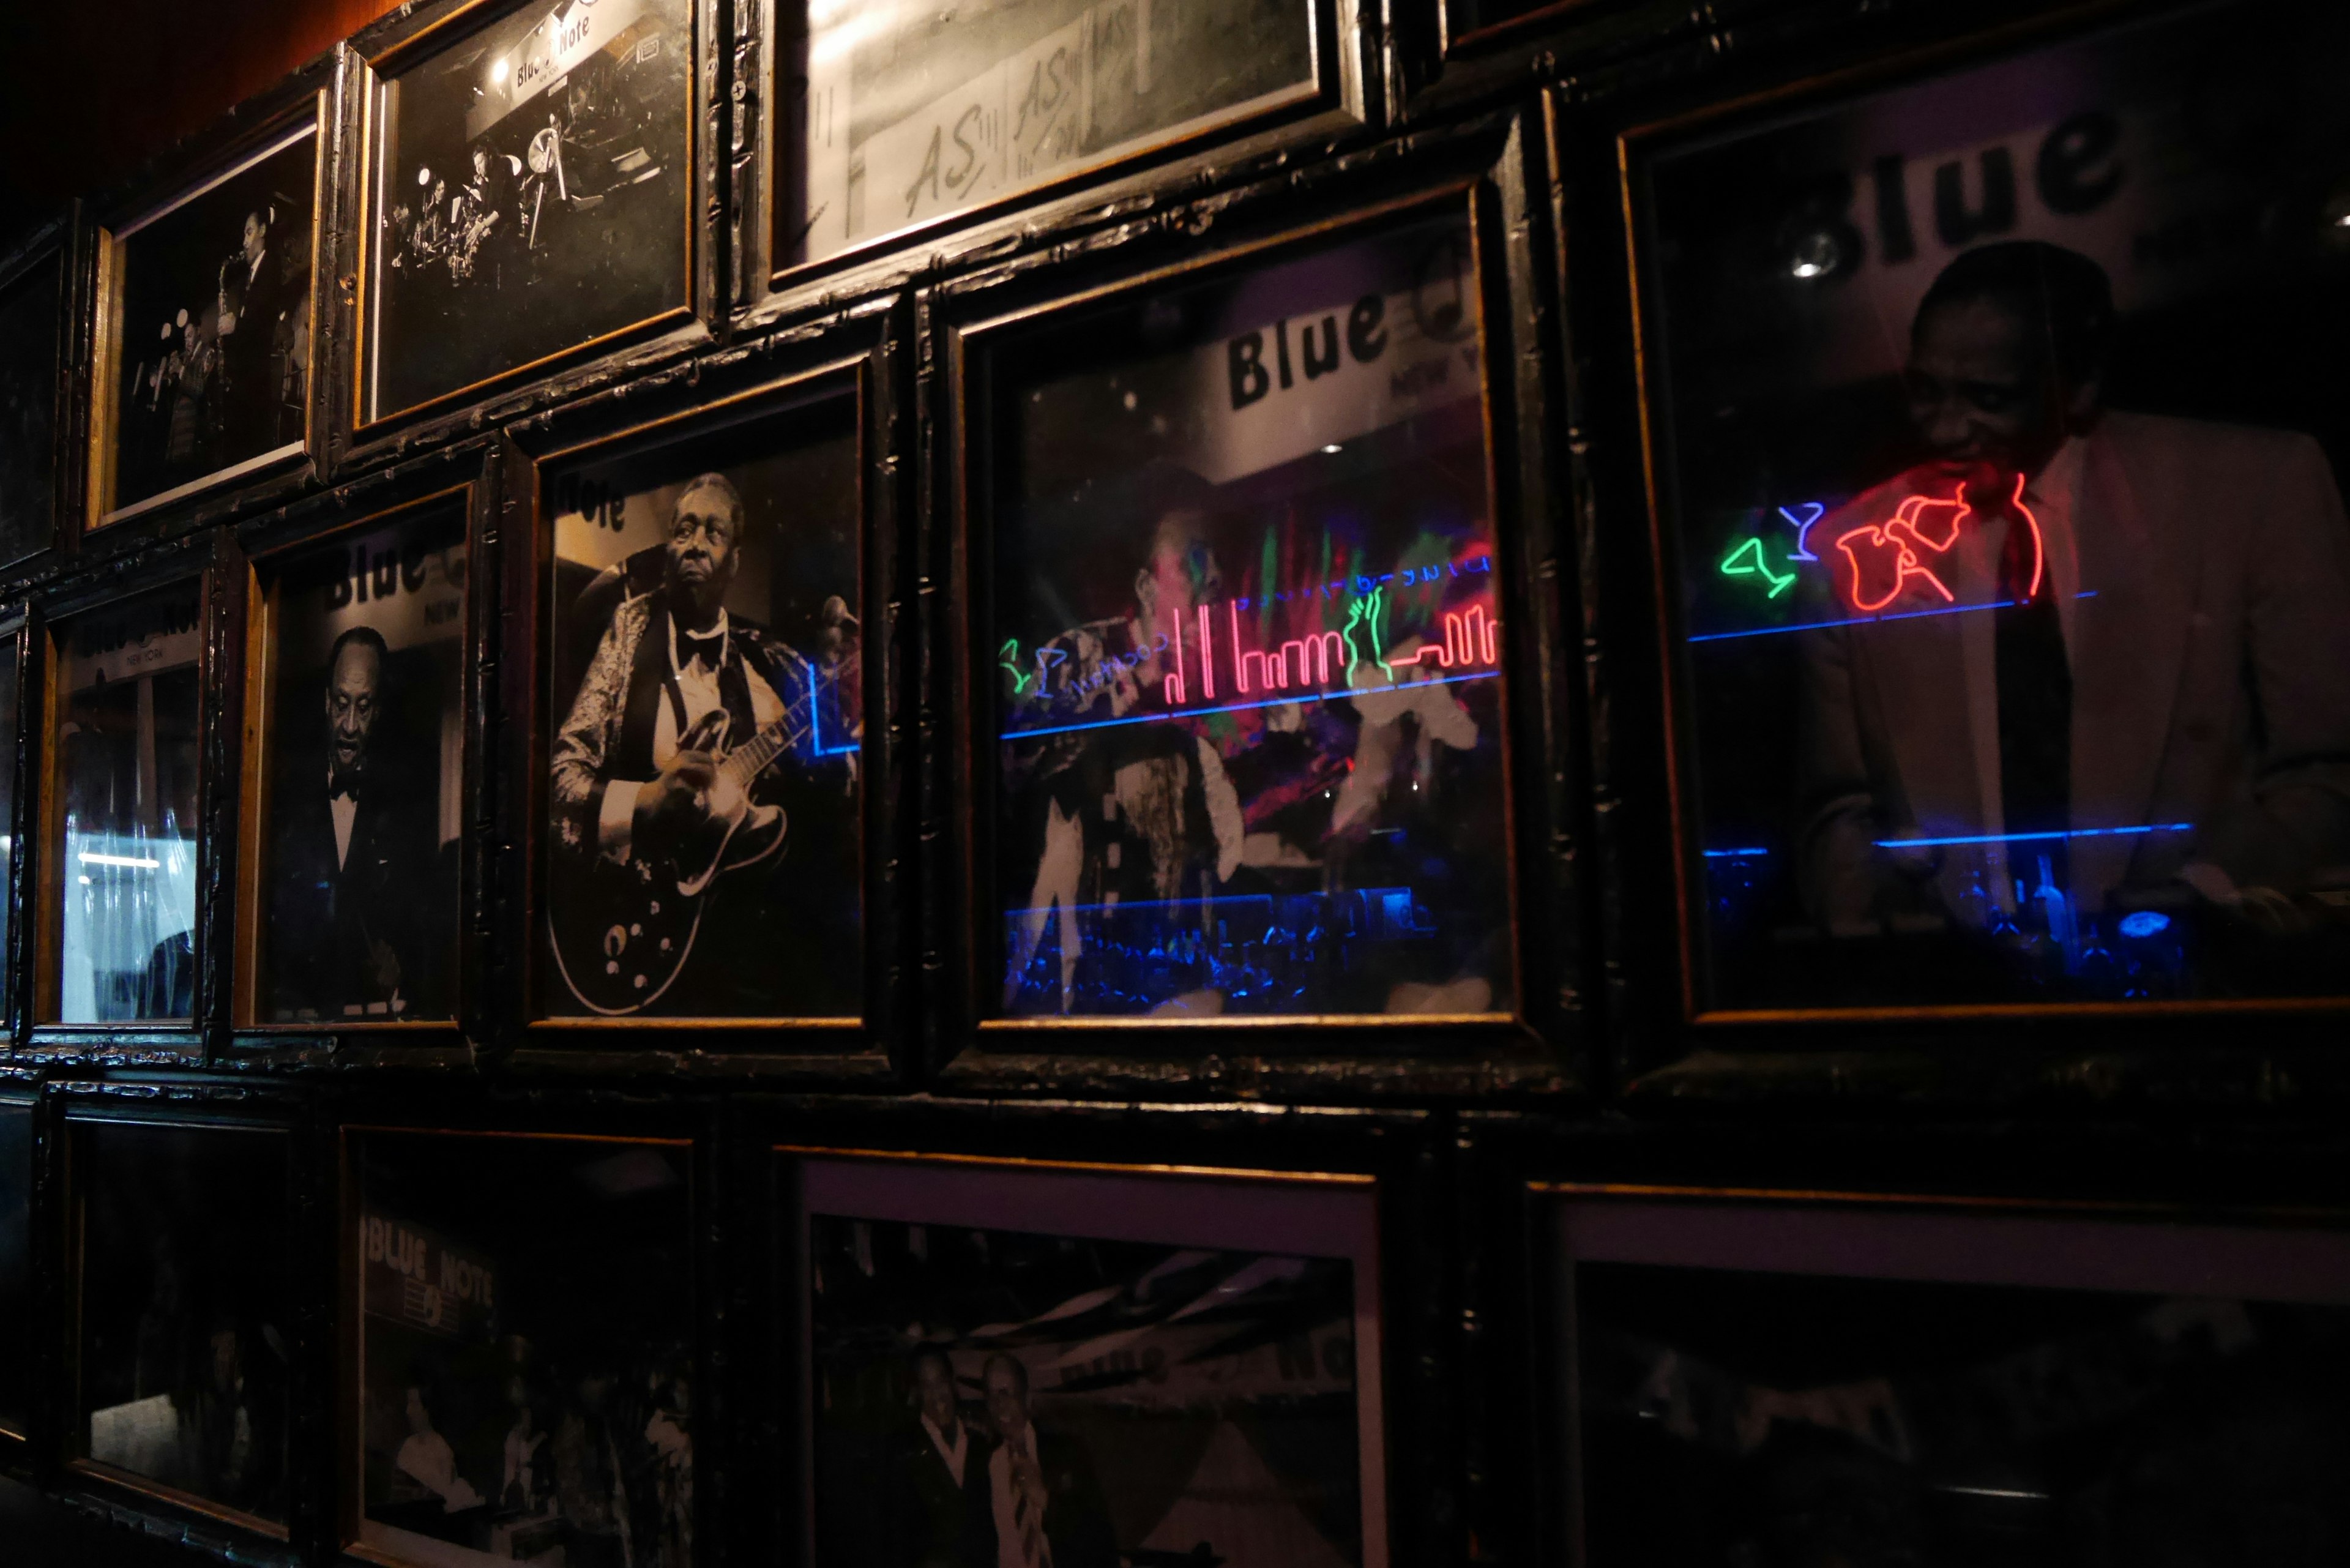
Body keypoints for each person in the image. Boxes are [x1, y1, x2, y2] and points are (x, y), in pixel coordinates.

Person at [1797, 241, 2350, 965]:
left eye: (1988, 398)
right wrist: (1912, 929)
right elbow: (1834, 815)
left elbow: (2330, 771)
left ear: (2080, 386)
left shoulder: (2251, 490)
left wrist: (2198, 904)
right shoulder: (1855, 549)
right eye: (1926, 390)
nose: (1943, 429)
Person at [547, 471, 857, 1015]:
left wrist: (839, 719)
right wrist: (642, 803)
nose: (694, 545)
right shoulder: (630, 628)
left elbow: (826, 798)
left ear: (735, 561)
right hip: (634, 927)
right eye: (684, 530)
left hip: (749, 963)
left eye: (712, 534)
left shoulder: (765, 662)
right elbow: (563, 778)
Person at [267, 625, 443, 1019]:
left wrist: (401, 972)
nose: (349, 726)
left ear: (378, 710)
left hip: (373, 1028)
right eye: (342, 703)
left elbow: (422, 937)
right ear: (326, 703)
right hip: (295, 1030)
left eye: (363, 708)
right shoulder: (283, 801)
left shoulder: (405, 810)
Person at [971, 1353, 1114, 1568]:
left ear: (1027, 1398)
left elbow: (1099, 1536)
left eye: (1005, 1393)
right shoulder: (985, 1463)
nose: (999, 1405)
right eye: (991, 1396)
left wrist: (1046, 1500)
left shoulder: (1063, 1452)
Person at [885, 1348, 985, 1568]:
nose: (937, 1394)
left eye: (940, 1382)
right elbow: (897, 1538)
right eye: (927, 1386)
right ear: (917, 1391)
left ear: (952, 1383)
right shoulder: (902, 1452)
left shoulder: (981, 1444)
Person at [217, 207, 287, 454]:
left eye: (249, 233)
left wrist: (238, 325)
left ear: (263, 231)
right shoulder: (252, 275)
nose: (244, 242)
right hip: (245, 381)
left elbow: (264, 320)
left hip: (257, 383)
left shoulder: (271, 266)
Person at [395, 1383, 483, 1513]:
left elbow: (442, 1501)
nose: (408, 1411)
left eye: (414, 1404)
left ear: (427, 1410)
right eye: (408, 1404)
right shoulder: (408, 1446)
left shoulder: (443, 1451)